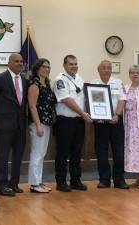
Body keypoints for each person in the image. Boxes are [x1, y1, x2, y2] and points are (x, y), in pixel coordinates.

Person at [0, 53, 27, 196]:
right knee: (2, 156)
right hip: (4, 126)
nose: (20, 64)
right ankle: (2, 185)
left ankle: (14, 183)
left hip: (20, 126)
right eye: (16, 61)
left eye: (21, 61)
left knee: (18, 155)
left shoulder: (25, 80)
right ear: (8, 63)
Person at [53, 55, 92, 192]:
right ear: (64, 65)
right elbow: (66, 100)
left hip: (79, 121)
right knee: (63, 153)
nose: (74, 66)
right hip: (65, 121)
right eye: (71, 64)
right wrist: (83, 113)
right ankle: (61, 181)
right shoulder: (60, 80)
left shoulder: (79, 79)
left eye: (75, 64)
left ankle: (76, 180)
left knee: (77, 152)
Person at [91, 60, 129, 189]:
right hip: (100, 123)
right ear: (99, 69)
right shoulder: (93, 84)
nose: (106, 70)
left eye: (108, 68)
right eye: (103, 68)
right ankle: (104, 179)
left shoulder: (118, 83)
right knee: (101, 152)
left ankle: (119, 180)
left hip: (116, 122)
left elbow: (122, 100)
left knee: (119, 152)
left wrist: (117, 115)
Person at [28, 58, 57, 193]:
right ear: (38, 68)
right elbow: (32, 106)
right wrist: (38, 125)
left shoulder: (46, 83)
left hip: (47, 122)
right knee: (37, 153)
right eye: (44, 66)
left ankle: (39, 181)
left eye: (48, 67)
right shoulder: (34, 84)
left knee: (42, 153)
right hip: (38, 123)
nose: (47, 69)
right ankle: (34, 184)